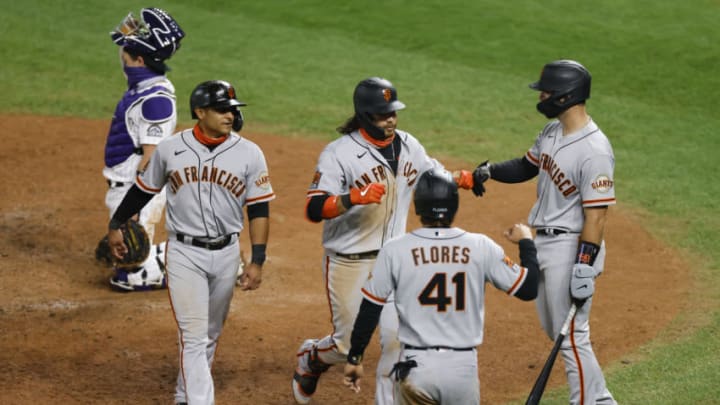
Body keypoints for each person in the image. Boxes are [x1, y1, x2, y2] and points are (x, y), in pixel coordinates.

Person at [292, 77, 464, 405]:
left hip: (395, 260)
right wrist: (353, 197)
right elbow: (314, 208)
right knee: (346, 347)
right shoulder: (339, 153)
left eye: (393, 113)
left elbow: (434, 174)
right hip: (349, 261)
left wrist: (464, 178)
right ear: (365, 114)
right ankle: (312, 358)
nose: (391, 119)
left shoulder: (410, 145)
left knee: (399, 340)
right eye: (384, 114)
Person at [107, 80, 275, 404]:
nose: (230, 115)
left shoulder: (250, 153)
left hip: (227, 254)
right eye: (222, 109)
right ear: (200, 112)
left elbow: (259, 209)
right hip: (184, 253)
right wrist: (116, 223)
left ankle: (185, 395)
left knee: (210, 333)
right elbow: (144, 189)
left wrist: (258, 260)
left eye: (232, 110)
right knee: (194, 336)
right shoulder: (171, 149)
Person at [470, 59, 617, 405]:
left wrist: (584, 265)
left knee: (572, 335)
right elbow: (525, 166)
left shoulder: (594, 151)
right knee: (559, 332)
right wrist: (489, 171)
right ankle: (601, 400)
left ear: (566, 96)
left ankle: (587, 401)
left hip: (572, 246)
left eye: (547, 92)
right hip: (544, 240)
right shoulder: (553, 132)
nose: (542, 97)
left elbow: (596, 216)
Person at [342, 168, 539, 404]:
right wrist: (527, 242)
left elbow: (370, 308)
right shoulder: (481, 246)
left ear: (418, 206)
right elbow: (528, 289)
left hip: (416, 369)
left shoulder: (395, 249)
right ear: (454, 204)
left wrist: (355, 357)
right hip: (462, 372)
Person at [101, 7, 185, 291]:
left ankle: (206, 262)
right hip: (124, 183)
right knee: (125, 250)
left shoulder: (156, 102)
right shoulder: (143, 80)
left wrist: (134, 207)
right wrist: (135, 29)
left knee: (128, 273)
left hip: (137, 186)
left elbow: (151, 159)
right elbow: (123, 43)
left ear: (138, 60)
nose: (121, 53)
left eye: (128, 52)